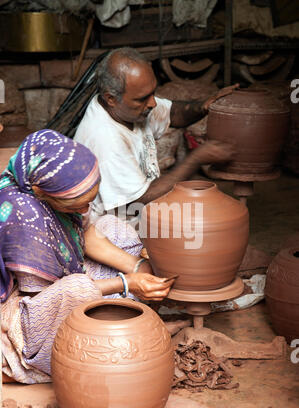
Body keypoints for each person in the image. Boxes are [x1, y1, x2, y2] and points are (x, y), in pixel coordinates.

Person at [0, 129, 174, 384]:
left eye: (89, 200)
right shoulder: (24, 218)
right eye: (76, 205)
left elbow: (87, 233)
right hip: (20, 312)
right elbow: (50, 298)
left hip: (56, 282)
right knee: (76, 288)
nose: (84, 209)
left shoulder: (52, 185)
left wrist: (138, 266)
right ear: (39, 191)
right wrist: (126, 283)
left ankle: (121, 313)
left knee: (114, 228)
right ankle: (93, 340)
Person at [74, 47, 238, 222]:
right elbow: (142, 200)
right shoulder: (104, 138)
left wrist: (202, 107)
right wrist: (196, 158)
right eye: (142, 98)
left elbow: (172, 113)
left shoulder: (128, 108)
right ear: (111, 99)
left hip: (144, 213)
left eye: (153, 93)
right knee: (209, 231)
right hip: (116, 230)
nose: (152, 103)